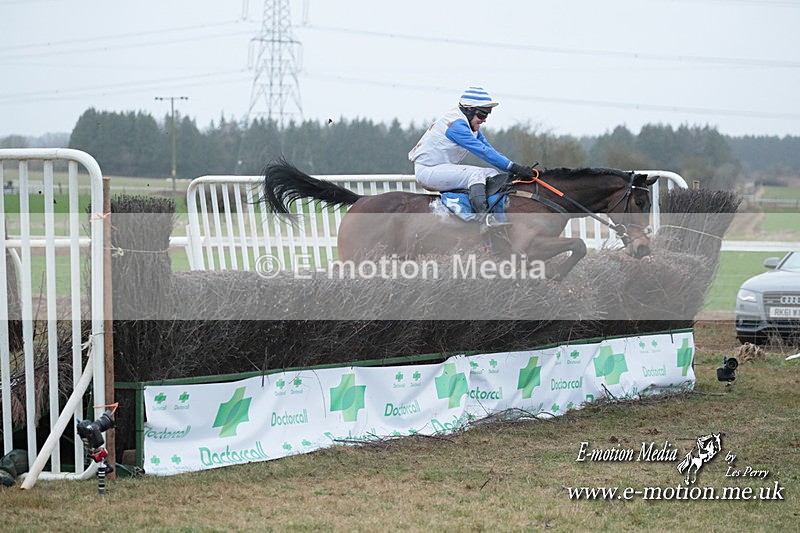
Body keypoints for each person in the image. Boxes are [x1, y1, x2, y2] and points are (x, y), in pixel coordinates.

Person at [408, 86, 537, 232]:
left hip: (441, 168)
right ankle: (485, 219)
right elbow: (483, 152)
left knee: (491, 173)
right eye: (482, 115)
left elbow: (490, 150)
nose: (484, 120)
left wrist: (512, 167)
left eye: (487, 115)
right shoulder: (456, 125)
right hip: (428, 171)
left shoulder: (469, 125)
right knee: (476, 174)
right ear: (468, 110)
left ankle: (497, 213)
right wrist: (512, 167)